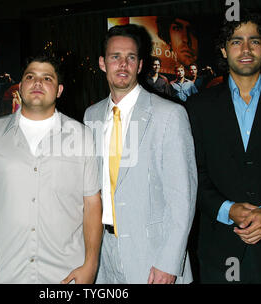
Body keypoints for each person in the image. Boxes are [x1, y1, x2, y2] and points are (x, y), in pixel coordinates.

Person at [186, 11, 261, 283]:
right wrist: (225, 208)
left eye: (254, 41)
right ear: (223, 48)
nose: (245, 49)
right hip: (220, 254)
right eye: (235, 41)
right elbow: (192, 173)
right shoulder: (197, 108)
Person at [84, 24, 196, 284]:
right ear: (102, 63)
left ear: (140, 64)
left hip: (153, 257)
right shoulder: (91, 116)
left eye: (130, 58)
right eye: (115, 57)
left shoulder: (169, 115)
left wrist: (169, 262)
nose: (123, 65)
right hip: (104, 254)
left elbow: (183, 198)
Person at [0, 54, 102, 284]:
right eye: (30, 76)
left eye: (47, 78)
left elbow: (92, 204)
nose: (37, 83)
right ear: (20, 86)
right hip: (4, 272)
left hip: (65, 274)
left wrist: (91, 265)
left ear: (59, 90)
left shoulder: (82, 136)